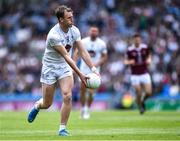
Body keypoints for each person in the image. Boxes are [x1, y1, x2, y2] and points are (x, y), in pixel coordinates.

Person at [27, 5, 98, 136]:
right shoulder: (53, 35)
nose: (72, 19)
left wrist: (93, 68)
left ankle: (62, 129)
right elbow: (66, 56)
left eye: (72, 17)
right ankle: (37, 105)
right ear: (61, 20)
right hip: (50, 68)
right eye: (69, 18)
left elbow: (82, 51)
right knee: (47, 103)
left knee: (68, 96)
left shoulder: (75, 31)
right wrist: (80, 74)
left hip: (64, 68)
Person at [73, 26, 107, 119]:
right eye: (92, 31)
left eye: (95, 31)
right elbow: (76, 52)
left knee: (92, 92)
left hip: (95, 71)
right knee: (82, 91)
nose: (94, 32)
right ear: (89, 32)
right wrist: (74, 63)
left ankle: (87, 108)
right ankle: (83, 109)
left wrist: (96, 64)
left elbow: (104, 57)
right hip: (84, 70)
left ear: (98, 32)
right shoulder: (84, 42)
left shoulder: (101, 43)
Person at [124, 34, 152, 114]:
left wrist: (149, 59)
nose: (137, 41)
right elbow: (125, 61)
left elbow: (149, 55)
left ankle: (142, 101)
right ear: (133, 40)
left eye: (138, 40)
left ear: (140, 40)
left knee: (149, 92)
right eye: (136, 40)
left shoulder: (145, 48)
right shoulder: (129, 50)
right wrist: (130, 62)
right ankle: (141, 107)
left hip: (144, 73)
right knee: (139, 92)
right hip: (135, 74)